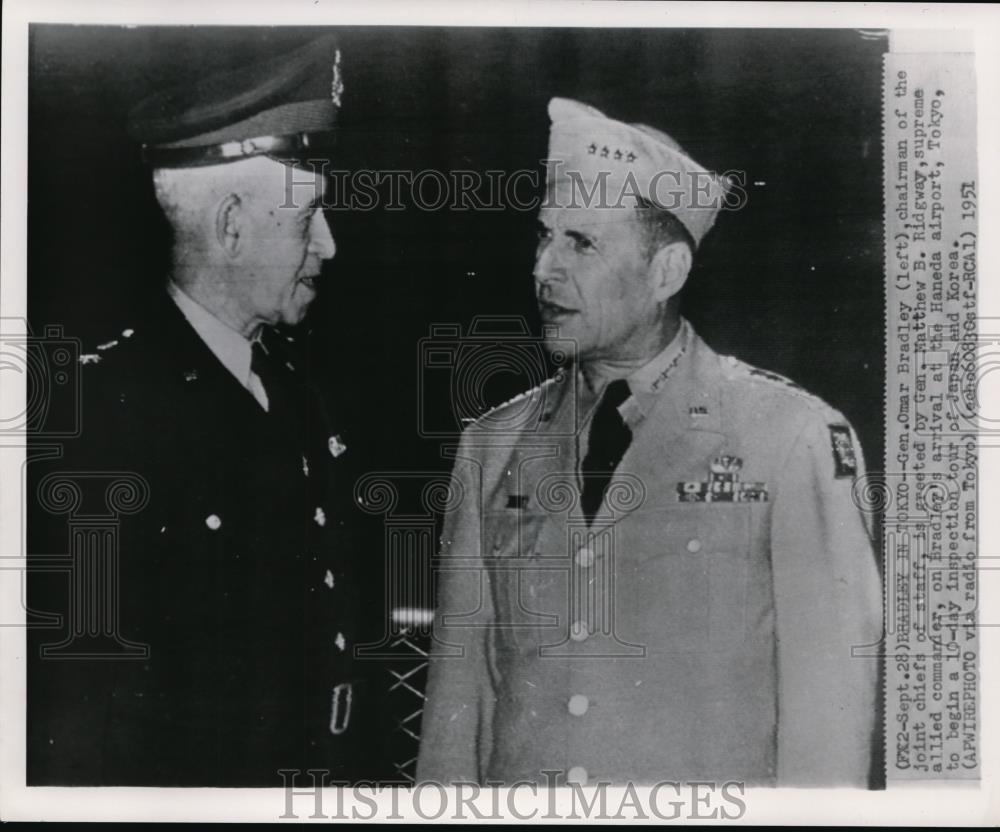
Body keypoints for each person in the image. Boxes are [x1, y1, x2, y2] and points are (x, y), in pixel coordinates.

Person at [416, 97, 882, 788]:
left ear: (666, 273)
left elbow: (829, 733)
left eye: (582, 242)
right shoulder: (493, 445)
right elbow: (459, 717)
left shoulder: (790, 438)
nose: (544, 268)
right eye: (544, 236)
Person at [27, 37, 385, 786]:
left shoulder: (298, 394)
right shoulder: (100, 416)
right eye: (309, 215)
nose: (329, 242)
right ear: (229, 225)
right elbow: (87, 707)